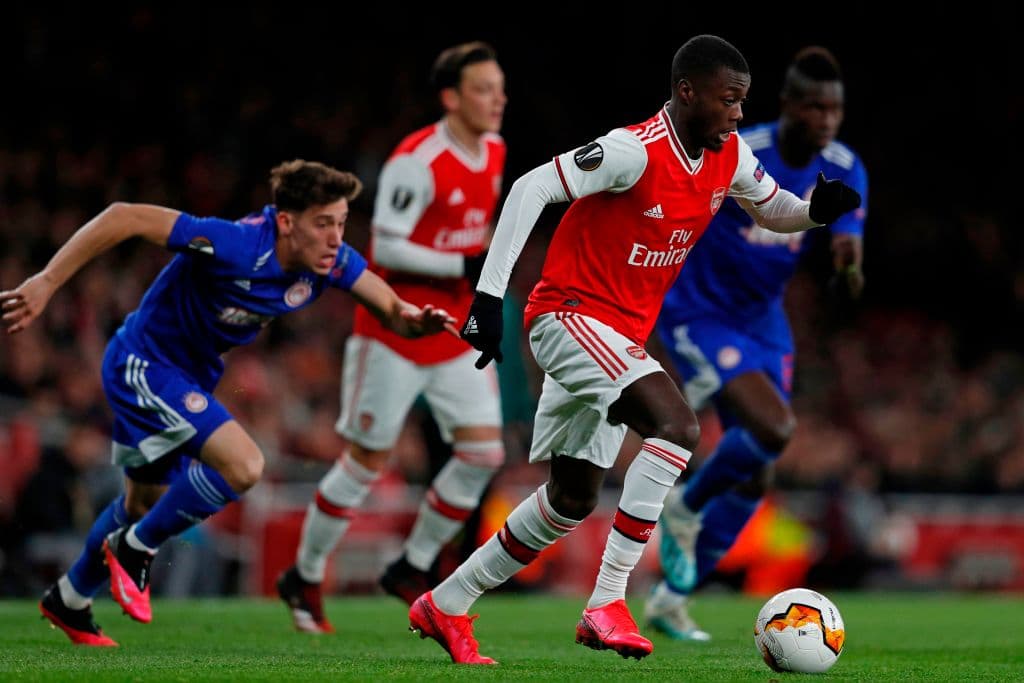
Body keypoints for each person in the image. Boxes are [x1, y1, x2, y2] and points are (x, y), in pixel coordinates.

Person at [405, 34, 862, 665]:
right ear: (687, 92)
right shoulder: (632, 151)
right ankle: (608, 602)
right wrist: (487, 297)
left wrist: (814, 212)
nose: (737, 114)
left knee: (569, 500)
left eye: (743, 101)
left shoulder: (728, 156)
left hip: (617, 336)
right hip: (569, 316)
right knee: (677, 426)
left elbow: (773, 209)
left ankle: (445, 603)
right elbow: (530, 189)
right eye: (728, 100)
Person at [0, 160, 457, 647]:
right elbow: (124, 216)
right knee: (243, 465)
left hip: (188, 376)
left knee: (143, 502)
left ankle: (70, 598)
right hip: (144, 365)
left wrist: (414, 320)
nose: (335, 238)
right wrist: (47, 281)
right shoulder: (235, 244)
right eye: (323, 223)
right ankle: (134, 549)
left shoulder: (330, 261)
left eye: (341, 223)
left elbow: (390, 308)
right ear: (286, 222)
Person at [276, 41, 507, 633]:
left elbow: (472, 233)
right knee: (366, 461)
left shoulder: (495, 150)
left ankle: (413, 564)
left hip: (452, 329)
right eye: (483, 89)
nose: (497, 99)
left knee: (483, 454)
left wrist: (477, 264)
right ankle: (304, 574)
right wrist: (463, 263)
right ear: (451, 97)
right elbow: (388, 245)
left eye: (500, 89)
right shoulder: (417, 160)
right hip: (394, 327)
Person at [644, 46, 868, 641]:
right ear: (789, 104)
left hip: (765, 320)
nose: (826, 121)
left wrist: (848, 264)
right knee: (775, 429)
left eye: (835, 110)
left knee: (755, 475)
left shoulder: (845, 165)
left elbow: (847, 235)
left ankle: (671, 599)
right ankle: (686, 506)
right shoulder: (742, 149)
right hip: (700, 311)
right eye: (815, 108)